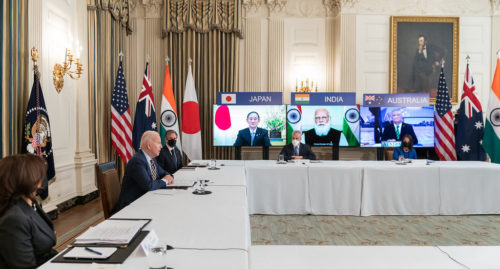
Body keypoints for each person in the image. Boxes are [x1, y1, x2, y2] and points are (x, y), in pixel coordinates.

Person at [0, 154, 58, 268]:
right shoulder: (14, 219)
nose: (43, 180)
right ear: (29, 179)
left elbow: (46, 251)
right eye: (40, 175)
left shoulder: (30, 204)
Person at [118, 131, 174, 209]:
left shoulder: (152, 159)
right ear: (149, 146)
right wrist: (165, 180)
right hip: (131, 206)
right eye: (158, 143)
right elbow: (148, 186)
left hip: (146, 200)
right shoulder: (137, 161)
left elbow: (165, 173)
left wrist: (168, 177)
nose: (161, 146)